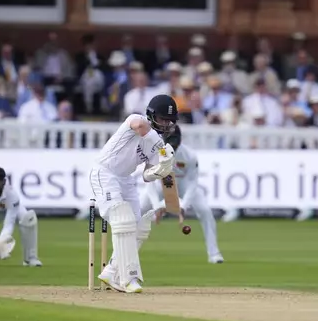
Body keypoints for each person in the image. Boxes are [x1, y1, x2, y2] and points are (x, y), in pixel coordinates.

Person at [89, 94, 177, 293]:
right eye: (163, 119)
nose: (166, 124)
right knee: (123, 219)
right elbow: (139, 126)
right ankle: (128, 279)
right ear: (152, 116)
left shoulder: (157, 146)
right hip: (105, 173)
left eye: (169, 121)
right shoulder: (137, 120)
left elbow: (146, 175)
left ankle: (111, 272)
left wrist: (161, 169)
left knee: (138, 226)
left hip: (126, 179)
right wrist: (162, 149)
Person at [136, 125, 224, 264]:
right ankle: (130, 252)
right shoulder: (155, 153)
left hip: (183, 183)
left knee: (205, 211)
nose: (173, 148)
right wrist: (156, 206)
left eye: (175, 144)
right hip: (160, 182)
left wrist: (183, 206)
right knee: (139, 209)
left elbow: (193, 183)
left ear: (180, 140)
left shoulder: (190, 156)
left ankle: (214, 254)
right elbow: (150, 182)